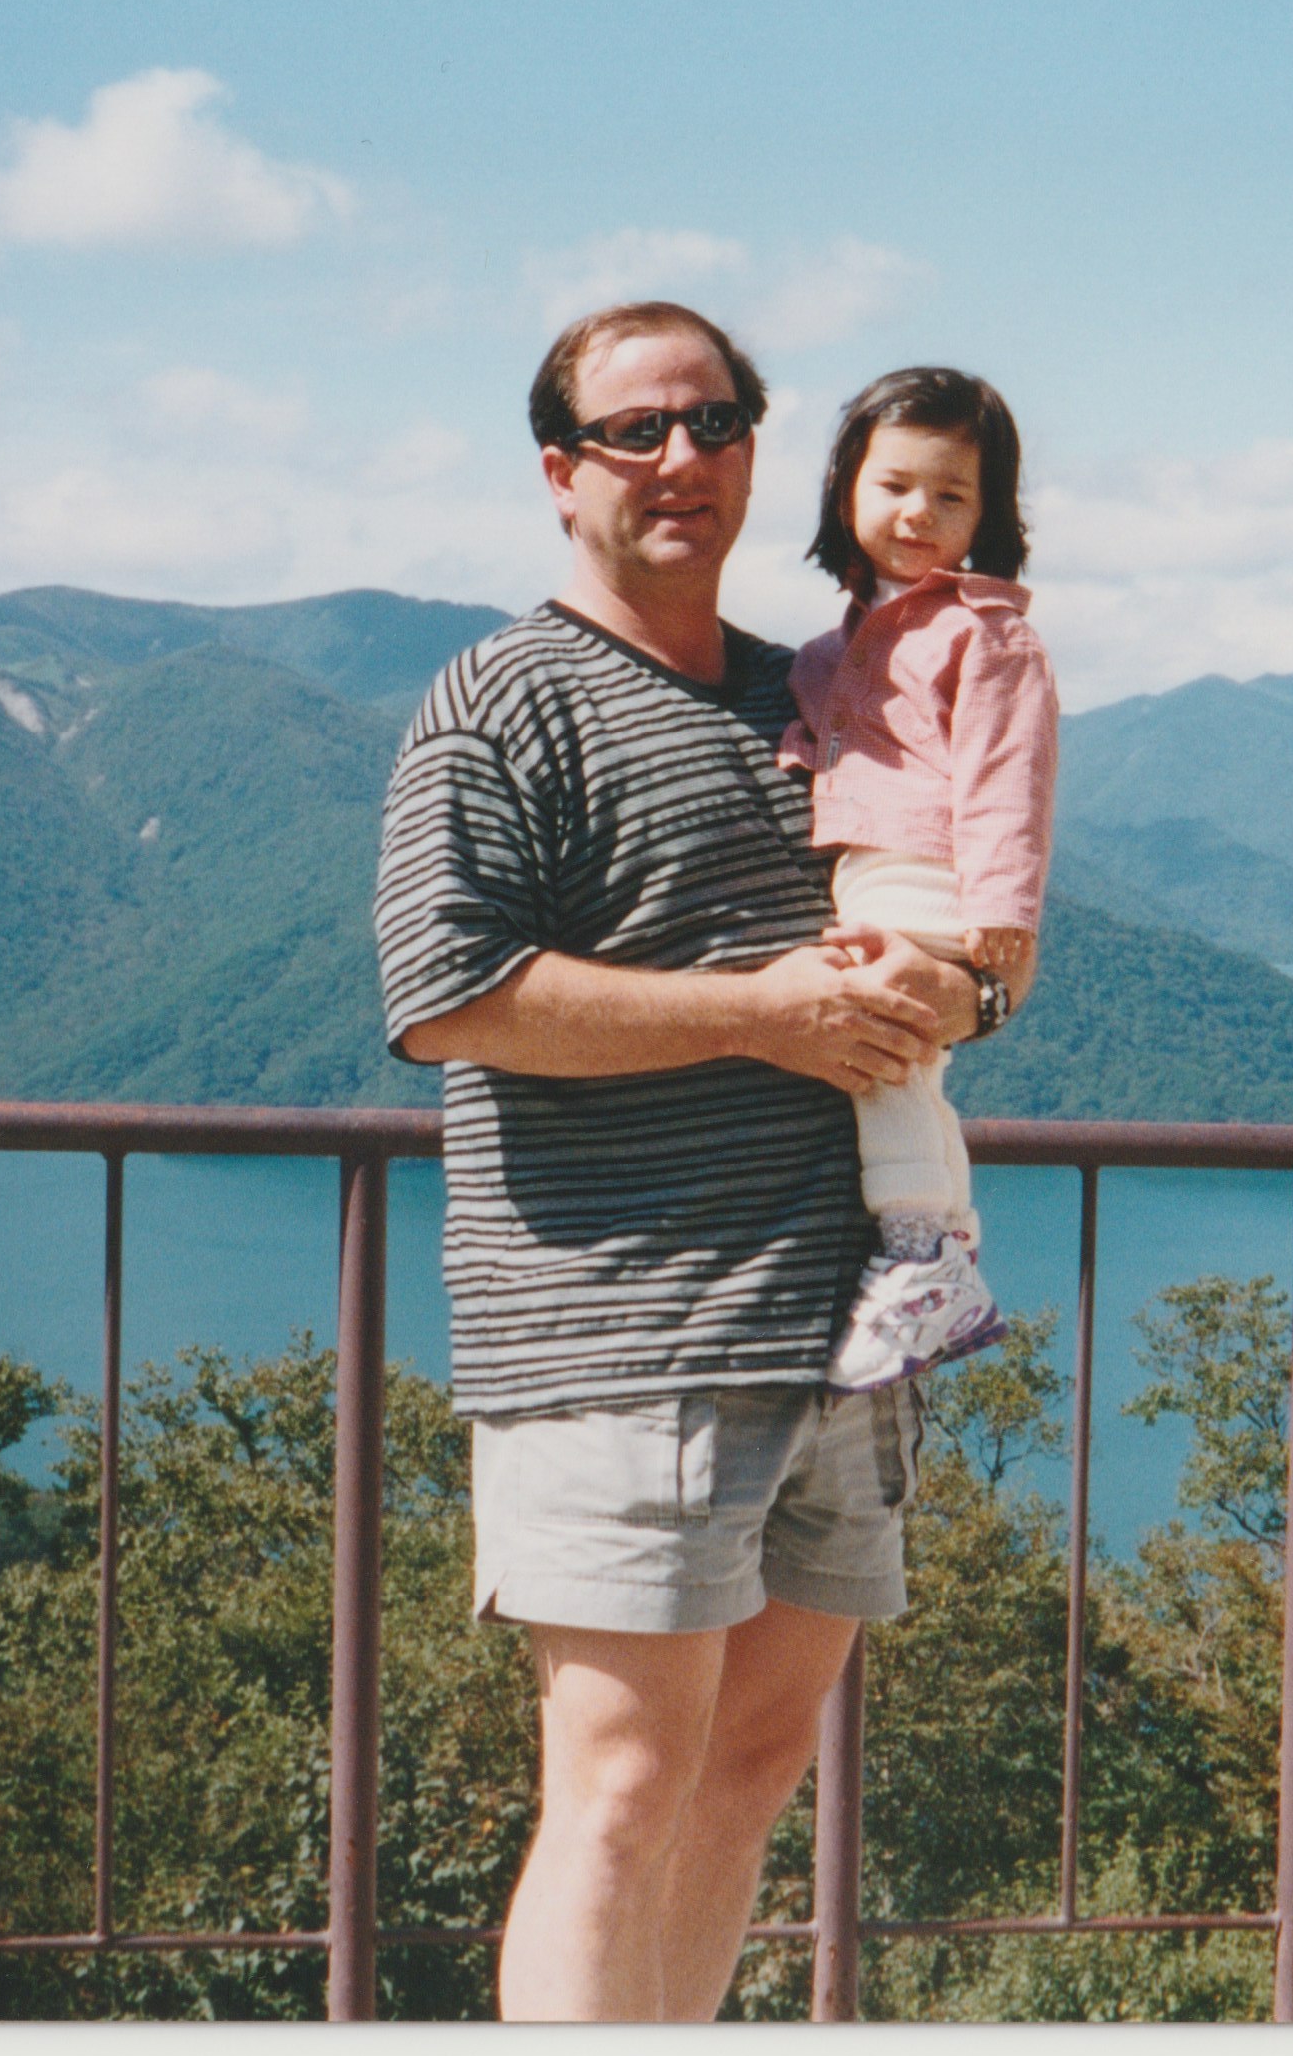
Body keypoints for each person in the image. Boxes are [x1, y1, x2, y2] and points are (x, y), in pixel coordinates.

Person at [370, 301, 1019, 2021]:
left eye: (717, 422)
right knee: (622, 1786)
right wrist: (759, 1017)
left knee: (747, 1774)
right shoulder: (503, 699)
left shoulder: (822, 684)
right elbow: (448, 996)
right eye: (638, 429)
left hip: (843, 1327)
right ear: (559, 471)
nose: (683, 458)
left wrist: (965, 988)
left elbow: (960, 927)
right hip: (624, 1332)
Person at [781, 368, 1056, 1391]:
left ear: (988, 514)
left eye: (951, 495)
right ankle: (949, 1251)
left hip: (929, 871)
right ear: (845, 489)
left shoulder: (986, 632)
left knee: (878, 1039)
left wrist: (1002, 906)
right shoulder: (829, 648)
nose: (918, 513)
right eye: (895, 485)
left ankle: (913, 1251)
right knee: (912, 1065)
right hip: (867, 871)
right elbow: (828, 735)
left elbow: (1007, 774)